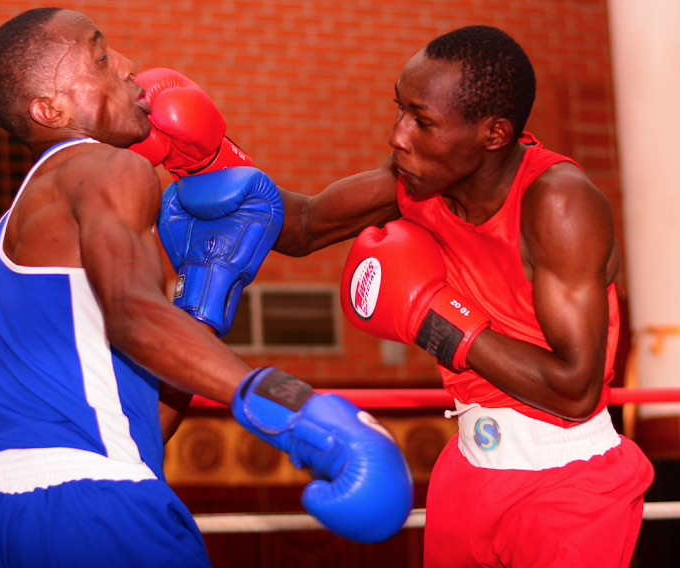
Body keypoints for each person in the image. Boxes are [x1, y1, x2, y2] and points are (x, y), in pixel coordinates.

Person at [0, 8, 414, 568]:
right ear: (50, 109)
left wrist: (200, 305)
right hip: (92, 513)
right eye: (100, 56)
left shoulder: (21, 216)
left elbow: (134, 429)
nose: (128, 66)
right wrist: (297, 408)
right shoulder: (108, 167)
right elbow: (133, 316)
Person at [272, 25, 655, 568]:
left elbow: (576, 389)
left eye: (422, 121)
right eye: (400, 110)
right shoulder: (418, 180)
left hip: (567, 485)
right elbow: (303, 226)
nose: (398, 136)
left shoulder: (558, 204)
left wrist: (436, 319)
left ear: (493, 134)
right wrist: (204, 154)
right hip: (467, 471)